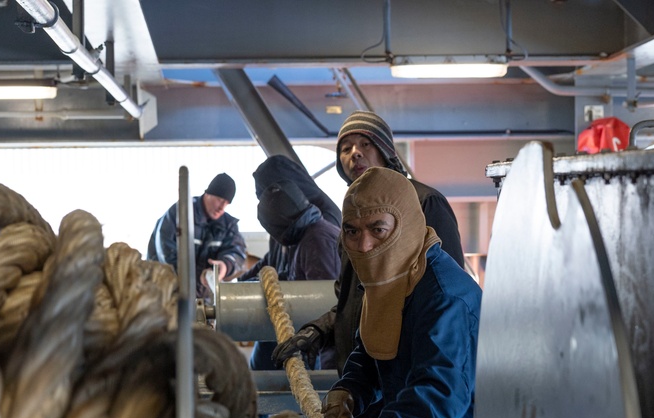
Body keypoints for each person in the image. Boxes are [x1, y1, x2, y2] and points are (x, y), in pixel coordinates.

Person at [272, 110, 465, 374]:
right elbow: (354, 298)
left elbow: (448, 294)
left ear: (385, 150)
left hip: (409, 371)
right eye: (346, 148)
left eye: (366, 143)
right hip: (361, 374)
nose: (355, 153)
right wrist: (319, 330)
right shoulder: (352, 219)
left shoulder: (425, 203)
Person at [316, 167, 481, 418]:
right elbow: (374, 348)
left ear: (405, 225)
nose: (364, 246)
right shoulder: (393, 278)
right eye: (352, 231)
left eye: (378, 230)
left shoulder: (445, 296)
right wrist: (346, 394)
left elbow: (441, 390)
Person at [241, 155, 342, 370]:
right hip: (288, 314)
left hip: (309, 330)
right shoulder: (297, 223)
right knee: (261, 367)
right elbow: (275, 263)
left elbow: (326, 302)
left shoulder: (316, 234)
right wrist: (239, 285)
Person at [147, 172, 247, 304]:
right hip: (166, 295)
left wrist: (224, 266)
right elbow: (165, 251)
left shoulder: (228, 225)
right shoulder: (179, 213)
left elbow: (236, 251)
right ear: (208, 193)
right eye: (219, 199)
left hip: (202, 300)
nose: (222, 207)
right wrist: (197, 275)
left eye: (227, 203)